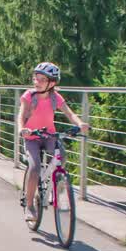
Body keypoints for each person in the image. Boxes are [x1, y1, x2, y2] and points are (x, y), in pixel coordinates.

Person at [17, 62, 88, 222]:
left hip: (49, 135)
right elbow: (21, 115)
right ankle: (30, 206)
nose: (37, 82)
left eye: (42, 79)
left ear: (52, 83)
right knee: (34, 167)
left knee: (61, 156)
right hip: (32, 137)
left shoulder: (55, 97)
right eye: (36, 78)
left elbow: (69, 113)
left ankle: (51, 188)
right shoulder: (29, 96)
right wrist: (22, 129)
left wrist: (80, 124)